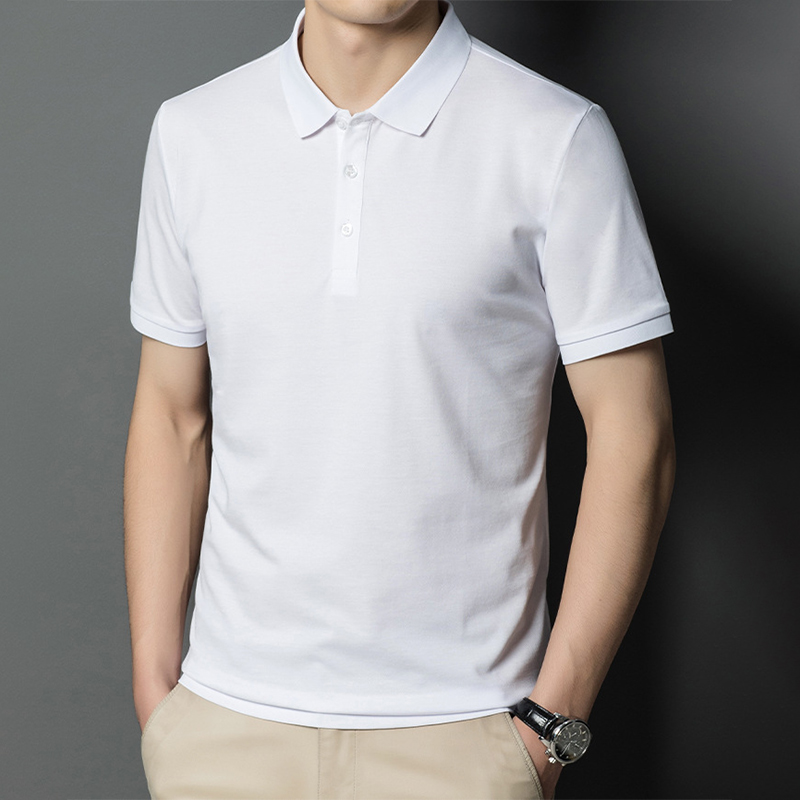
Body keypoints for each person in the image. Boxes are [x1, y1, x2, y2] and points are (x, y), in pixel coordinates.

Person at [123, 1, 676, 798]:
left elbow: (634, 433)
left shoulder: (554, 136)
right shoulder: (194, 133)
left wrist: (551, 724)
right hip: (225, 729)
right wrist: (157, 687)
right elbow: (172, 414)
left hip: (464, 733)